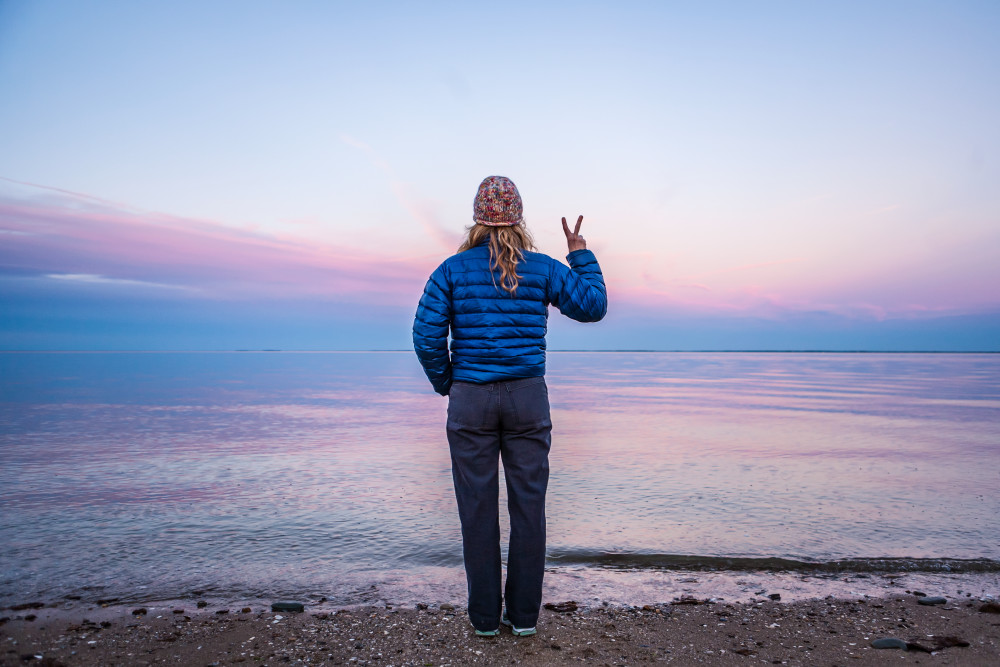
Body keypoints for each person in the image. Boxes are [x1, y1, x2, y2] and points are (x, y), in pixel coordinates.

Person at [412, 175, 607, 637]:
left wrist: (449, 383)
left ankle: (483, 620)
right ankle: (522, 619)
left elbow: (425, 336)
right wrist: (578, 252)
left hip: (471, 399)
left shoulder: (451, 270)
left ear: (476, 220)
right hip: (526, 398)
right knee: (529, 509)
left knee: (476, 512)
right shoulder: (541, 268)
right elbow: (593, 305)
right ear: (518, 220)